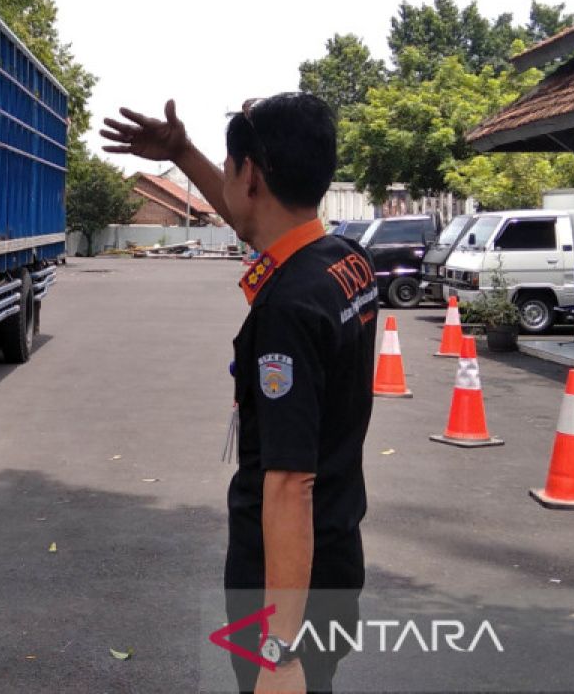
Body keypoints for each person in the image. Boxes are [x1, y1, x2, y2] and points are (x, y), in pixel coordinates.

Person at [101, 94, 377, 694]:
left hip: (283, 589)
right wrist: (184, 152)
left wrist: (278, 653)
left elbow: (289, 483)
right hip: (332, 556)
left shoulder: (289, 309)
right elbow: (253, 219)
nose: (225, 179)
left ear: (249, 174)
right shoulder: (341, 261)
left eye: (229, 167)